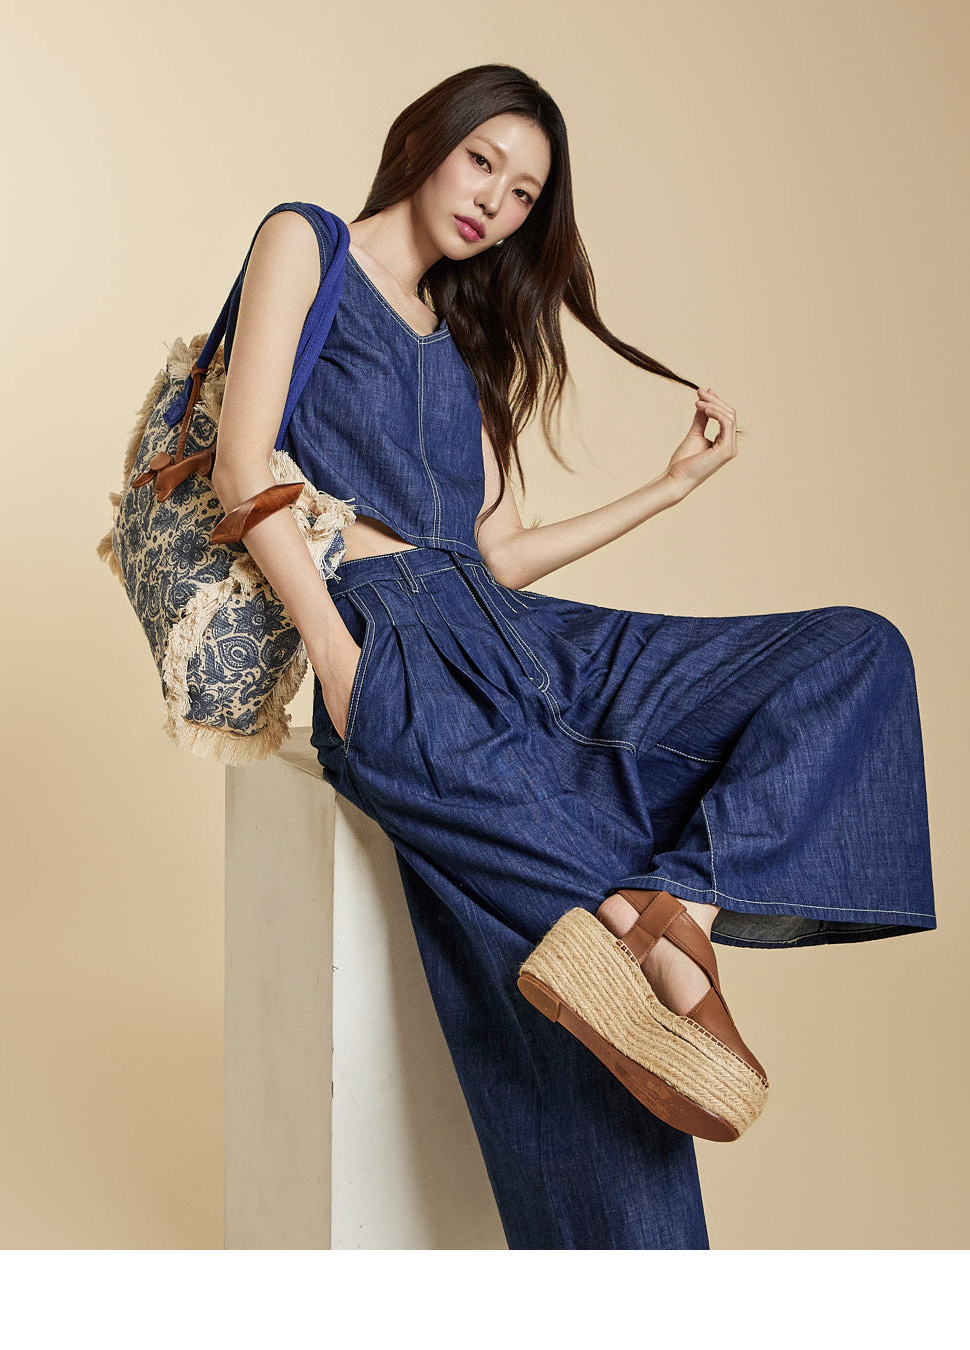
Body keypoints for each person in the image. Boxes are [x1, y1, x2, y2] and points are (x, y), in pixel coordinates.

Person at [210, 64, 936, 1249]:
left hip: (519, 640)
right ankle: (653, 971)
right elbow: (243, 466)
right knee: (594, 1019)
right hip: (389, 640)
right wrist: (340, 663)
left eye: (522, 193)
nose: (493, 201)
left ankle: (676, 909)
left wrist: (669, 486)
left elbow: (496, 556)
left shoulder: (468, 344)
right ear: (428, 140)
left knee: (852, 653)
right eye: (482, 161)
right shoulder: (307, 242)